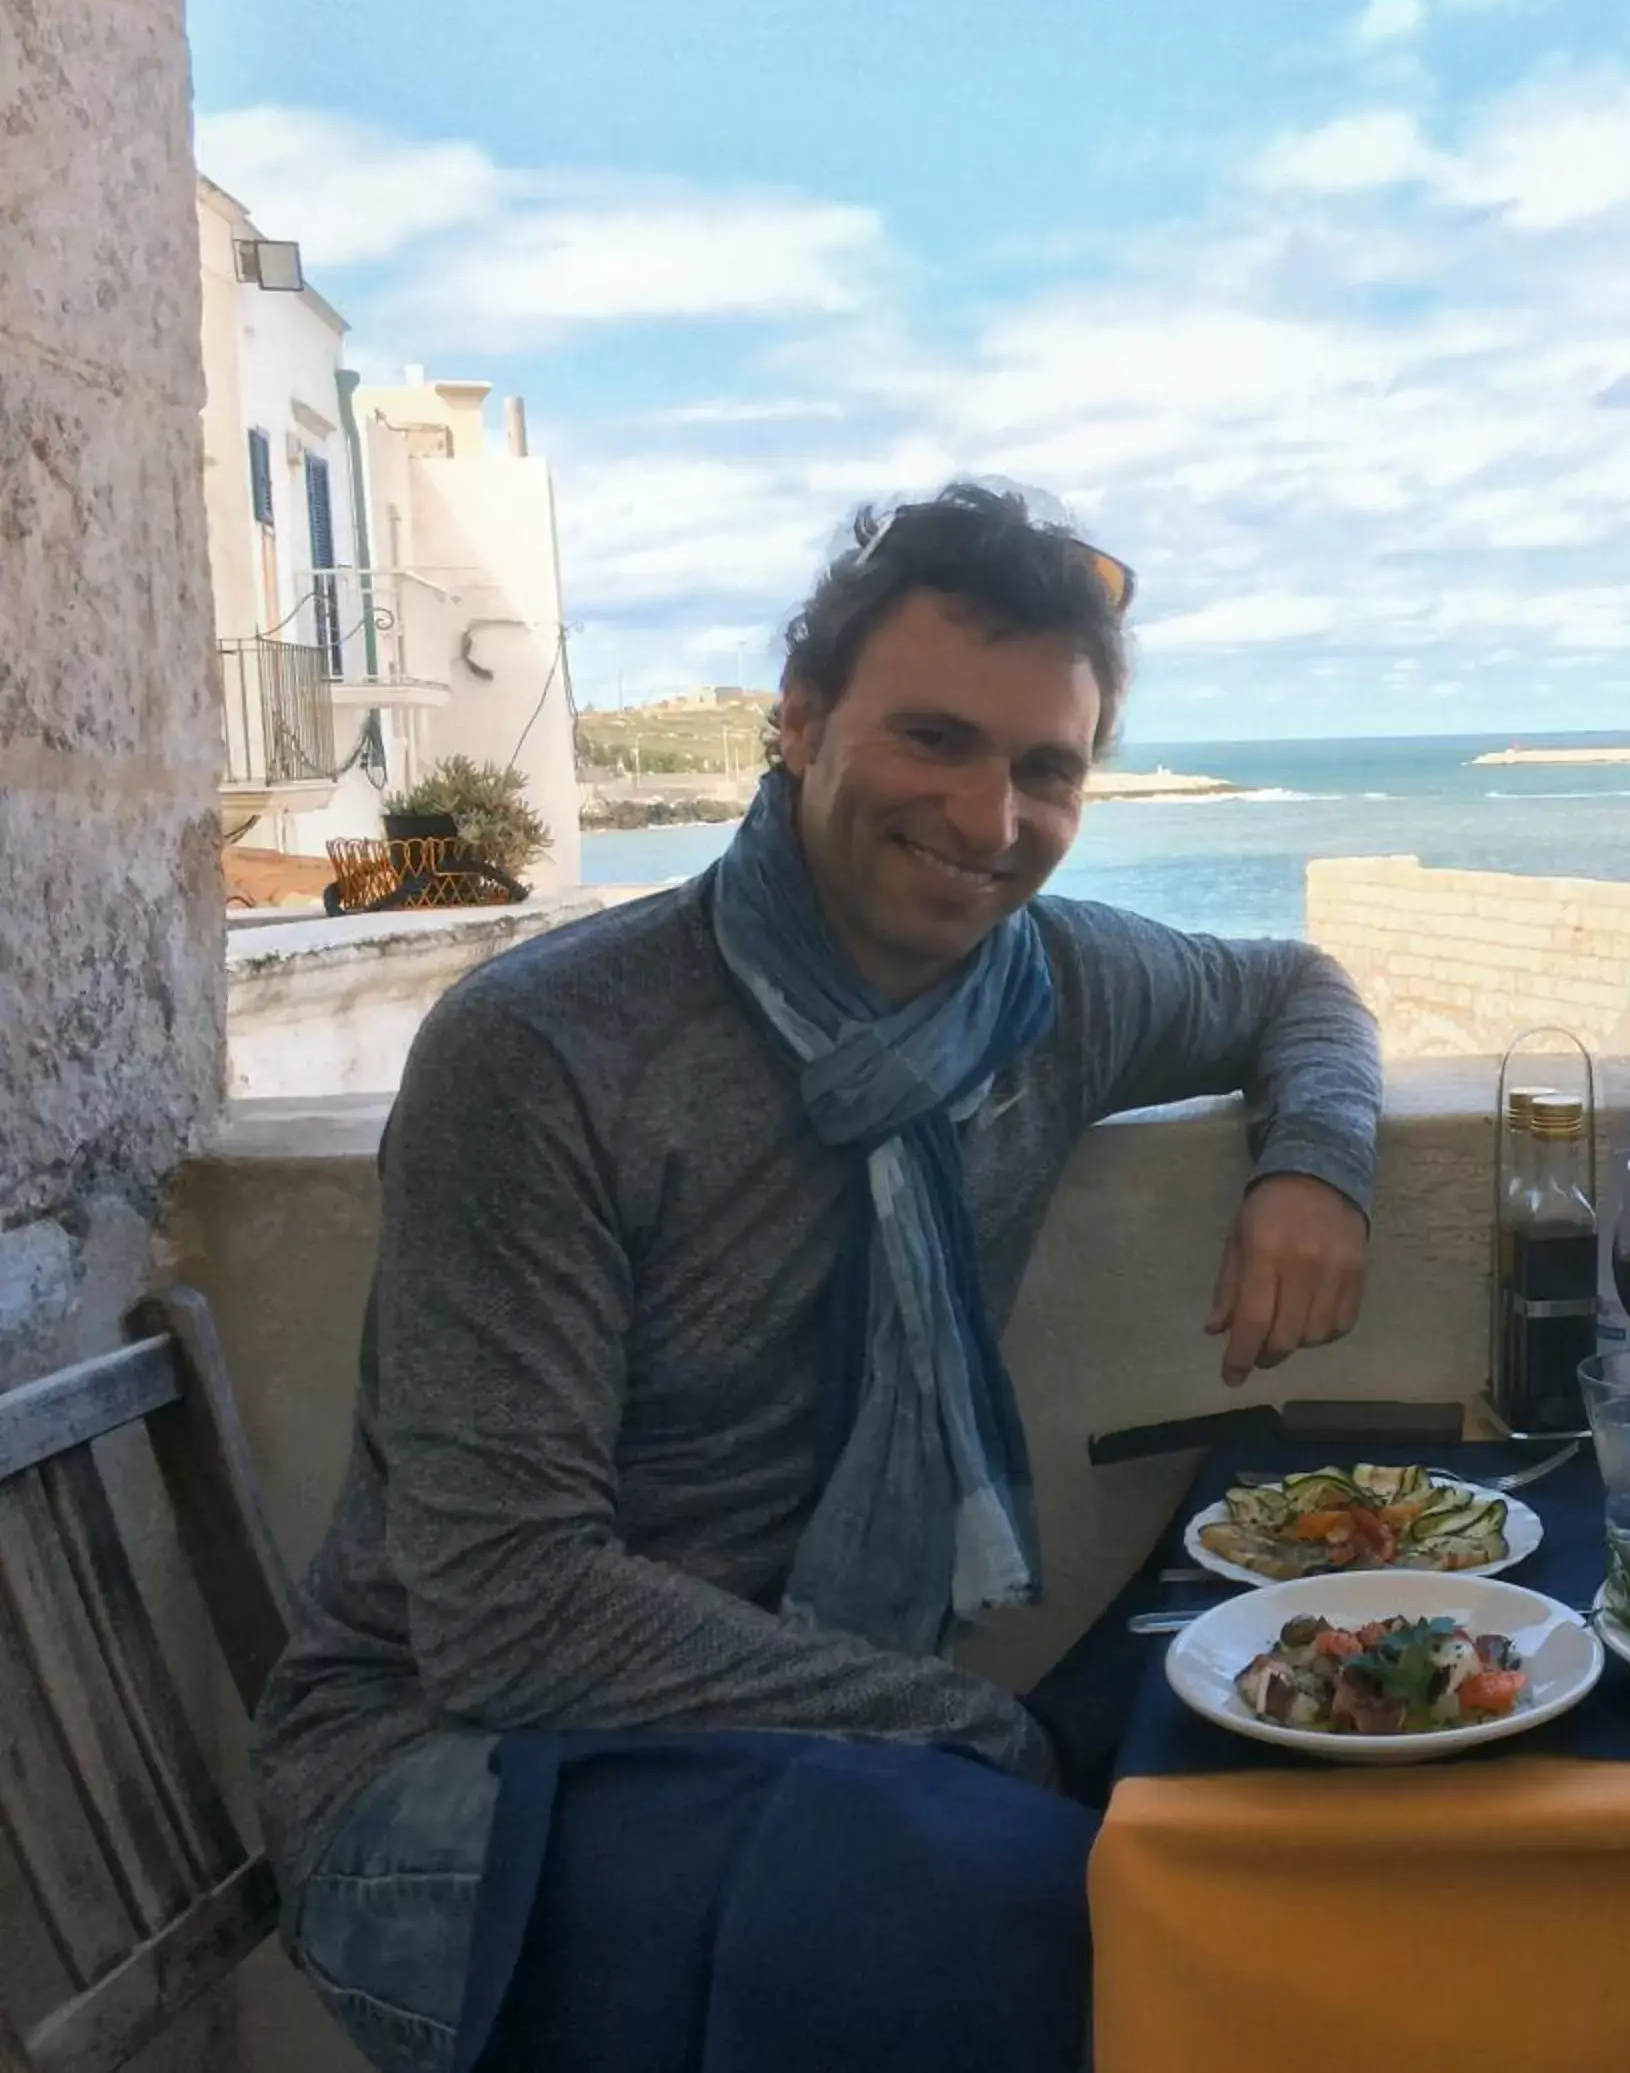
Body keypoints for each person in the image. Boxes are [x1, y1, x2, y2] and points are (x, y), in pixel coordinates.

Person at [252, 485, 1382, 2073]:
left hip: (832, 1745)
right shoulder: (546, 1050)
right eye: (935, 738)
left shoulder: (1049, 986)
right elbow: (510, 1614)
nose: (989, 821)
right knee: (1077, 1924)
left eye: (1044, 769)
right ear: (797, 723)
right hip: (456, 1783)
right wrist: (972, 1734)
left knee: (1279, 1760)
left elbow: (1294, 985)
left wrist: (1313, 1164)